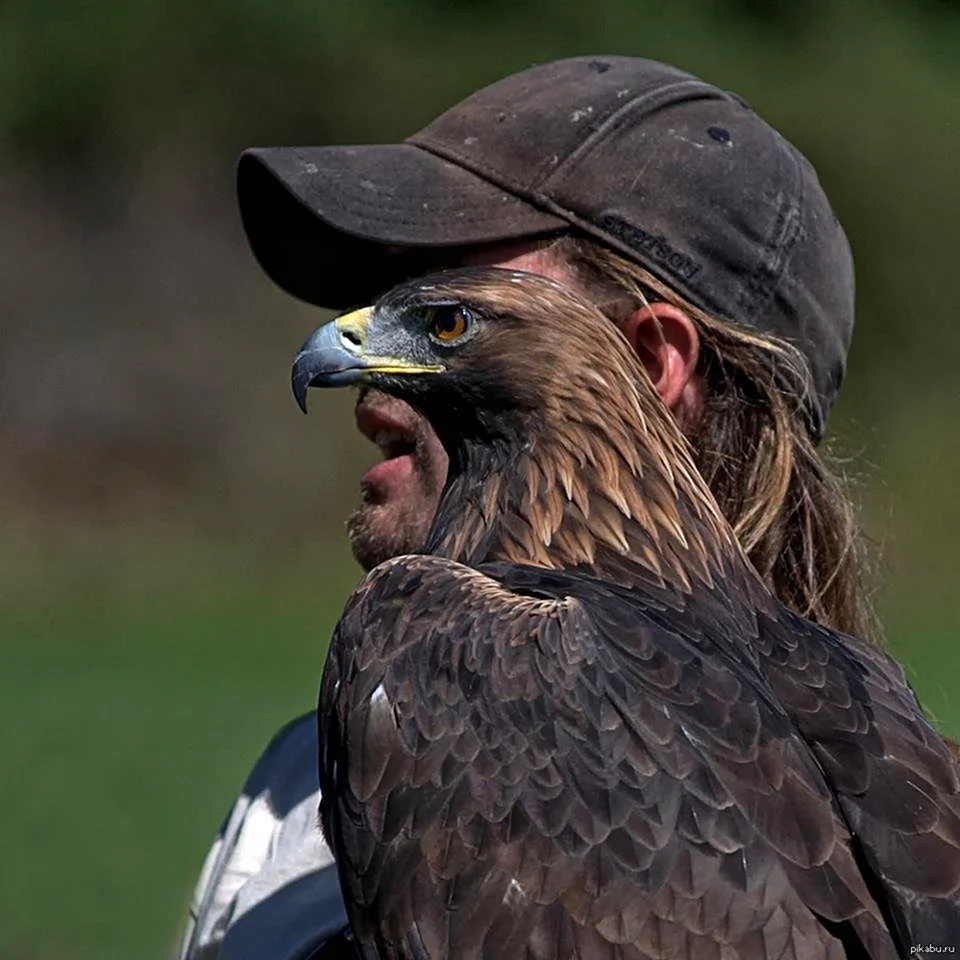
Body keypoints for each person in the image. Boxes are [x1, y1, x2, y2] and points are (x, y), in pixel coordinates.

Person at [177, 55, 870, 959]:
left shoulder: (899, 834)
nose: (370, 400)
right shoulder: (295, 792)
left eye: (452, 319)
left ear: (646, 366)